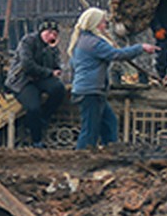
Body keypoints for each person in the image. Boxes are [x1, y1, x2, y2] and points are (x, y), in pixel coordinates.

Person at [67, 8, 157, 150]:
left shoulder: (81, 41)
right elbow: (117, 55)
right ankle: (81, 156)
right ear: (94, 24)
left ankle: (111, 150)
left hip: (90, 90)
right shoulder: (93, 43)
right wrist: (140, 48)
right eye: (103, 22)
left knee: (109, 122)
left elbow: (73, 65)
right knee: (90, 130)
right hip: (90, 92)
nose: (105, 26)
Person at [5, 19, 65, 147]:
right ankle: (36, 138)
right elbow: (27, 65)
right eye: (48, 33)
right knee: (33, 106)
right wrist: (49, 73)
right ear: (41, 32)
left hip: (40, 78)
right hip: (23, 80)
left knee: (58, 89)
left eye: (54, 34)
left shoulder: (50, 47)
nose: (51, 36)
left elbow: (56, 65)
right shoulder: (28, 41)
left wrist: (56, 65)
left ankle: (44, 118)